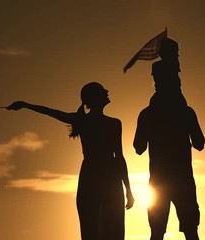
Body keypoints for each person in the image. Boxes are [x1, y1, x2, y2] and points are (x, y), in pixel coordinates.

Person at [7, 82, 134, 240]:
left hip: (95, 177)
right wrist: (128, 189)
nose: (107, 91)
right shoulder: (111, 123)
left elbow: (120, 159)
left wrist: (128, 190)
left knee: (97, 229)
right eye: (102, 91)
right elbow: (119, 159)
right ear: (94, 98)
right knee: (104, 229)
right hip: (106, 179)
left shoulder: (97, 122)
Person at [133, 103, 205, 240]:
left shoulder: (147, 114)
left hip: (159, 182)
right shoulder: (186, 112)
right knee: (191, 231)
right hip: (183, 181)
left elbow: (139, 147)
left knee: (157, 232)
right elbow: (199, 144)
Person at [149, 37, 187, 109]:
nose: (176, 56)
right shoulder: (161, 65)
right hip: (168, 95)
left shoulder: (173, 63)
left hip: (173, 94)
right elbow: (163, 82)